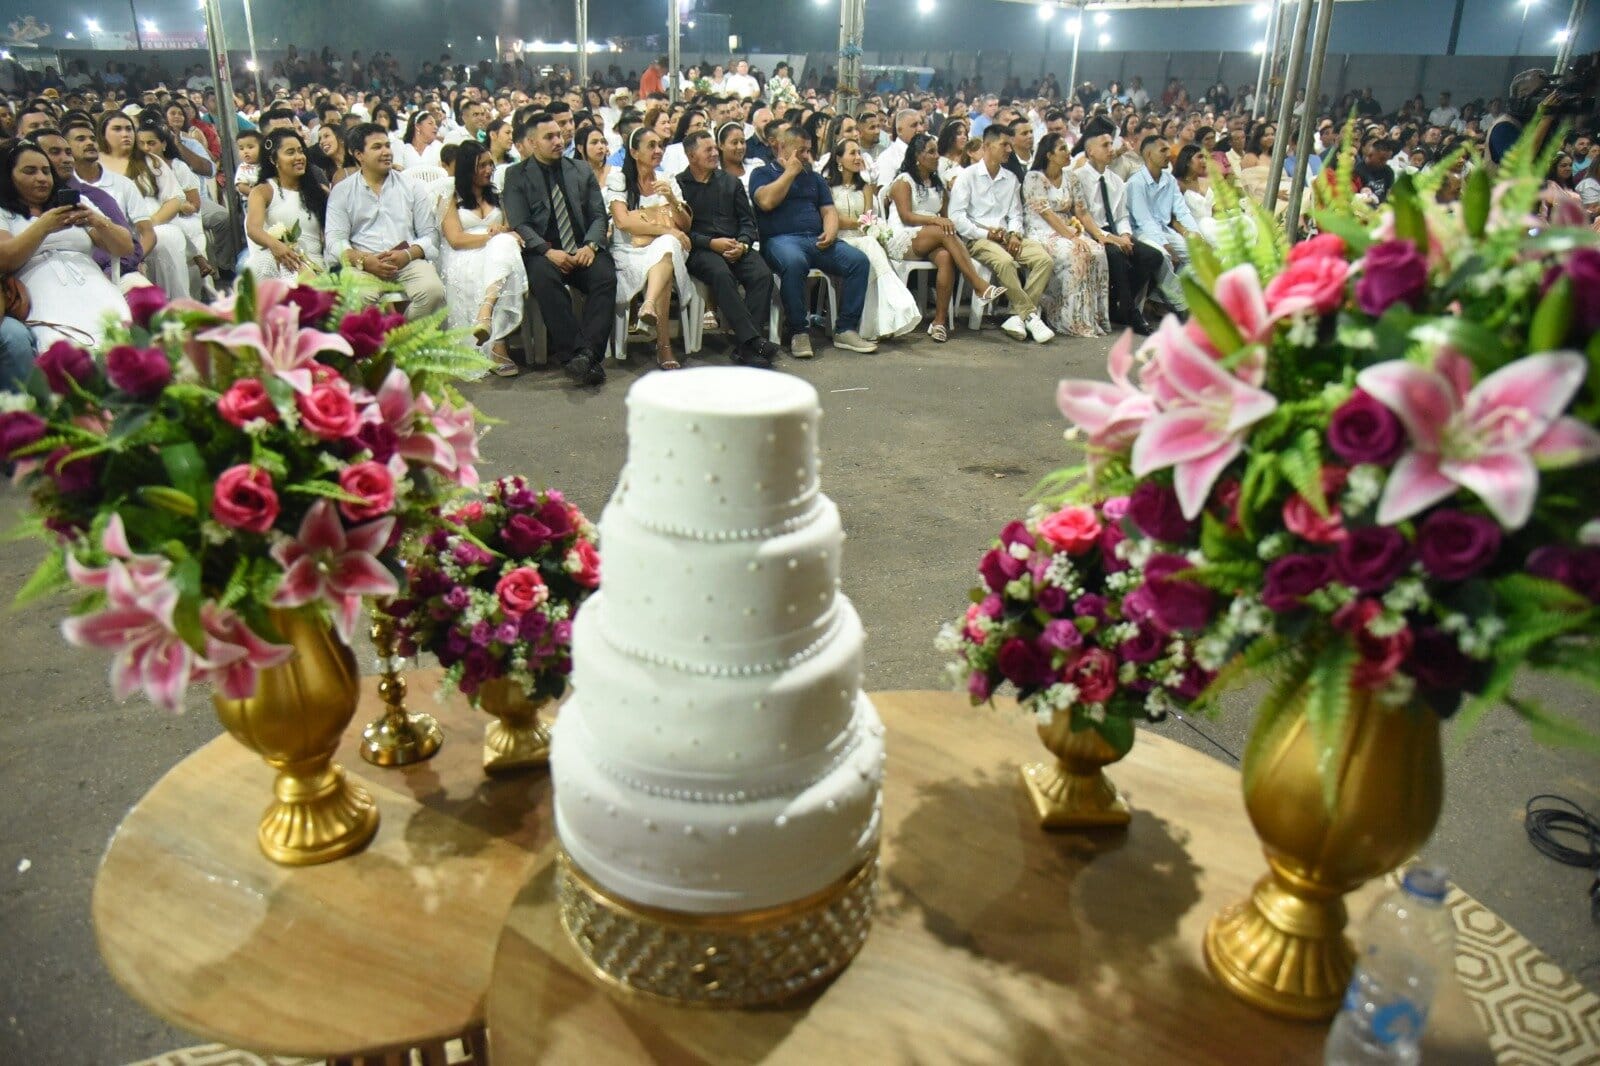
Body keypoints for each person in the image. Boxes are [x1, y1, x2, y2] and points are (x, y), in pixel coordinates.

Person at [503, 111, 615, 387]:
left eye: (559, 135)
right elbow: (520, 222)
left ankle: (585, 355)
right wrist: (547, 251)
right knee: (543, 279)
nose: (558, 140)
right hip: (544, 253)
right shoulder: (517, 174)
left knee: (605, 277)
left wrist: (590, 245)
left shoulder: (580, 169)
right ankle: (577, 354)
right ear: (532, 142)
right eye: (549, 137)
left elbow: (599, 215)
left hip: (581, 247)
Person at [750, 128, 878, 358]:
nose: (807, 156)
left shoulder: (815, 178)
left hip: (816, 239)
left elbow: (829, 211)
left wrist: (830, 230)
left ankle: (846, 328)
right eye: (801, 151)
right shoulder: (762, 173)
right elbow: (766, 202)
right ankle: (799, 331)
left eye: (809, 151)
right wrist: (789, 174)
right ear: (781, 147)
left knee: (858, 261)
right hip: (780, 241)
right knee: (795, 262)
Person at [0, 140, 132, 353]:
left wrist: (97, 220)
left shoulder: (74, 202)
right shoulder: (4, 212)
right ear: (8, 175)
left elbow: (124, 247)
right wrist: (44, 226)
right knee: (62, 349)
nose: (41, 178)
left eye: (46, 171)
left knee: (118, 337)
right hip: (39, 290)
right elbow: (5, 259)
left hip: (91, 283)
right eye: (30, 171)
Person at [675, 129, 781, 369]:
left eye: (715, 148)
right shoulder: (680, 185)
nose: (715, 153)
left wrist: (743, 244)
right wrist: (711, 243)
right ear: (691, 156)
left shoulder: (730, 182)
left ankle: (746, 347)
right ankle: (754, 340)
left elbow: (748, 222)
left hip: (734, 244)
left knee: (762, 274)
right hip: (700, 249)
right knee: (721, 273)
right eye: (708, 150)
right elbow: (680, 230)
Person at [884, 132, 1004, 342]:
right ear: (917, 157)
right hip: (903, 236)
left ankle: (939, 322)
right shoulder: (903, 181)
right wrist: (936, 221)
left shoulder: (936, 183)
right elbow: (907, 216)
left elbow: (949, 217)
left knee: (946, 257)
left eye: (937, 151)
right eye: (931, 152)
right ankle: (978, 285)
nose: (937, 156)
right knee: (943, 230)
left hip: (933, 236)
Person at [323, 123, 447, 321]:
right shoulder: (342, 191)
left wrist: (407, 254)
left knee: (433, 291)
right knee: (355, 299)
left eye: (387, 146)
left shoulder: (412, 186)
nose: (386, 152)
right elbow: (335, 239)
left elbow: (431, 235)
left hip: (406, 261)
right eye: (377, 147)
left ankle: (401, 339)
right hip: (362, 264)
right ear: (358, 154)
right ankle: (377, 346)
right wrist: (364, 261)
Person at [947, 124, 1055, 344]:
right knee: (1005, 262)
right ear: (987, 146)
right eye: (1004, 144)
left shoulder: (1011, 179)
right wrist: (987, 235)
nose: (1009, 149)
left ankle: (1017, 316)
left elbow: (1015, 214)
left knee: (1043, 259)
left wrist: (1015, 234)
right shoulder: (967, 177)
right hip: (977, 239)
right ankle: (1030, 316)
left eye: (1010, 145)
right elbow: (957, 219)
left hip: (1007, 237)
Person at [605, 126, 695, 370]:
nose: (658, 150)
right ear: (634, 152)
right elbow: (623, 222)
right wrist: (667, 229)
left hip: (664, 250)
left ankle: (648, 303)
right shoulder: (619, 180)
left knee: (666, 250)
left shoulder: (667, 180)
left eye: (660, 145)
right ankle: (663, 346)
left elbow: (685, 225)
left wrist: (673, 200)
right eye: (651, 146)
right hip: (629, 251)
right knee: (667, 250)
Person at [440, 140, 527, 378]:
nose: (489, 170)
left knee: (505, 244)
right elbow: (455, 238)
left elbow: (509, 226)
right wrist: (490, 238)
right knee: (500, 249)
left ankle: (487, 319)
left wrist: (501, 232)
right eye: (482, 166)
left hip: (496, 253)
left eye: (490, 164)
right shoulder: (451, 197)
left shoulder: (497, 195)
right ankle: (496, 345)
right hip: (462, 254)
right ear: (468, 168)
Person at [822, 138, 921, 341]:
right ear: (838, 159)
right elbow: (834, 219)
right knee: (871, 245)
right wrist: (859, 224)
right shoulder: (827, 187)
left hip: (863, 239)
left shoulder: (866, 187)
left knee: (870, 245)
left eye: (859, 152)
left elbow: (867, 217)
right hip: (839, 242)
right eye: (852, 153)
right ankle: (894, 301)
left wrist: (865, 225)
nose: (858, 157)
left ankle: (872, 324)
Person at [1074, 118, 1161, 334]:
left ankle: (1117, 301)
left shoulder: (1115, 180)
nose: (1110, 149)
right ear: (1090, 151)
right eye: (1104, 145)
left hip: (1115, 232)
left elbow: (1121, 215)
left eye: (1111, 144)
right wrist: (1113, 239)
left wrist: (1125, 235)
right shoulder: (1078, 178)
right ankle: (1131, 313)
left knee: (1153, 256)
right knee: (1115, 255)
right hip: (1091, 233)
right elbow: (1084, 218)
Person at [1022, 132, 1109, 338]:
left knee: (1097, 252)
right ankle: (1067, 319)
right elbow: (1046, 213)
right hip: (1041, 229)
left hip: (1066, 229)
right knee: (1075, 252)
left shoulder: (1071, 178)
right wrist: (1073, 238)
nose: (1068, 152)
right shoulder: (1034, 177)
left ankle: (1091, 319)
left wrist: (1097, 235)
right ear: (1049, 155)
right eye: (1062, 149)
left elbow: (1082, 212)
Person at [97, 111, 191, 298]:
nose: (125, 134)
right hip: (112, 228)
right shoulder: (94, 165)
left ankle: (175, 305)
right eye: (117, 129)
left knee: (165, 239)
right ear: (102, 133)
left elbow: (175, 198)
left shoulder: (151, 161)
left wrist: (152, 221)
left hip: (154, 223)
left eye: (129, 129)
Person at [244, 129, 328, 283]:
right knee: (260, 264)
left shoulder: (320, 191)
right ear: (273, 159)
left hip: (315, 264)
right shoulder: (263, 191)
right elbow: (253, 229)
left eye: (300, 151)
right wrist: (276, 245)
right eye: (290, 152)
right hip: (280, 261)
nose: (299, 157)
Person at [1126, 134, 1195, 315]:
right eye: (1163, 150)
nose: (1168, 153)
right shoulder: (1136, 182)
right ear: (1149, 154)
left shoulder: (1169, 180)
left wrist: (1196, 234)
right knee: (1162, 255)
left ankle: (1158, 297)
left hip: (1164, 230)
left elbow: (1182, 210)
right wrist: (1164, 244)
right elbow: (1143, 220)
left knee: (1195, 253)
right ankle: (1182, 305)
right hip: (1140, 232)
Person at [716, 120, 765, 195]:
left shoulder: (756, 164)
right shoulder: (714, 173)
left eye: (742, 142)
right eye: (734, 143)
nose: (740, 147)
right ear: (721, 145)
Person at [660, 108, 708, 178]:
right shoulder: (673, 150)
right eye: (698, 125)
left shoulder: (711, 149)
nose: (702, 128)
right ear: (686, 130)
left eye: (704, 125)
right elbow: (670, 177)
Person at [574, 124, 613, 190]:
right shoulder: (572, 176)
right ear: (580, 148)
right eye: (594, 142)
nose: (601, 146)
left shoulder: (615, 172)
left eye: (603, 142)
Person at [936, 119, 969, 188]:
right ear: (949, 136)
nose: (964, 137)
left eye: (965, 134)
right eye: (959, 133)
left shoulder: (968, 159)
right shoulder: (939, 162)